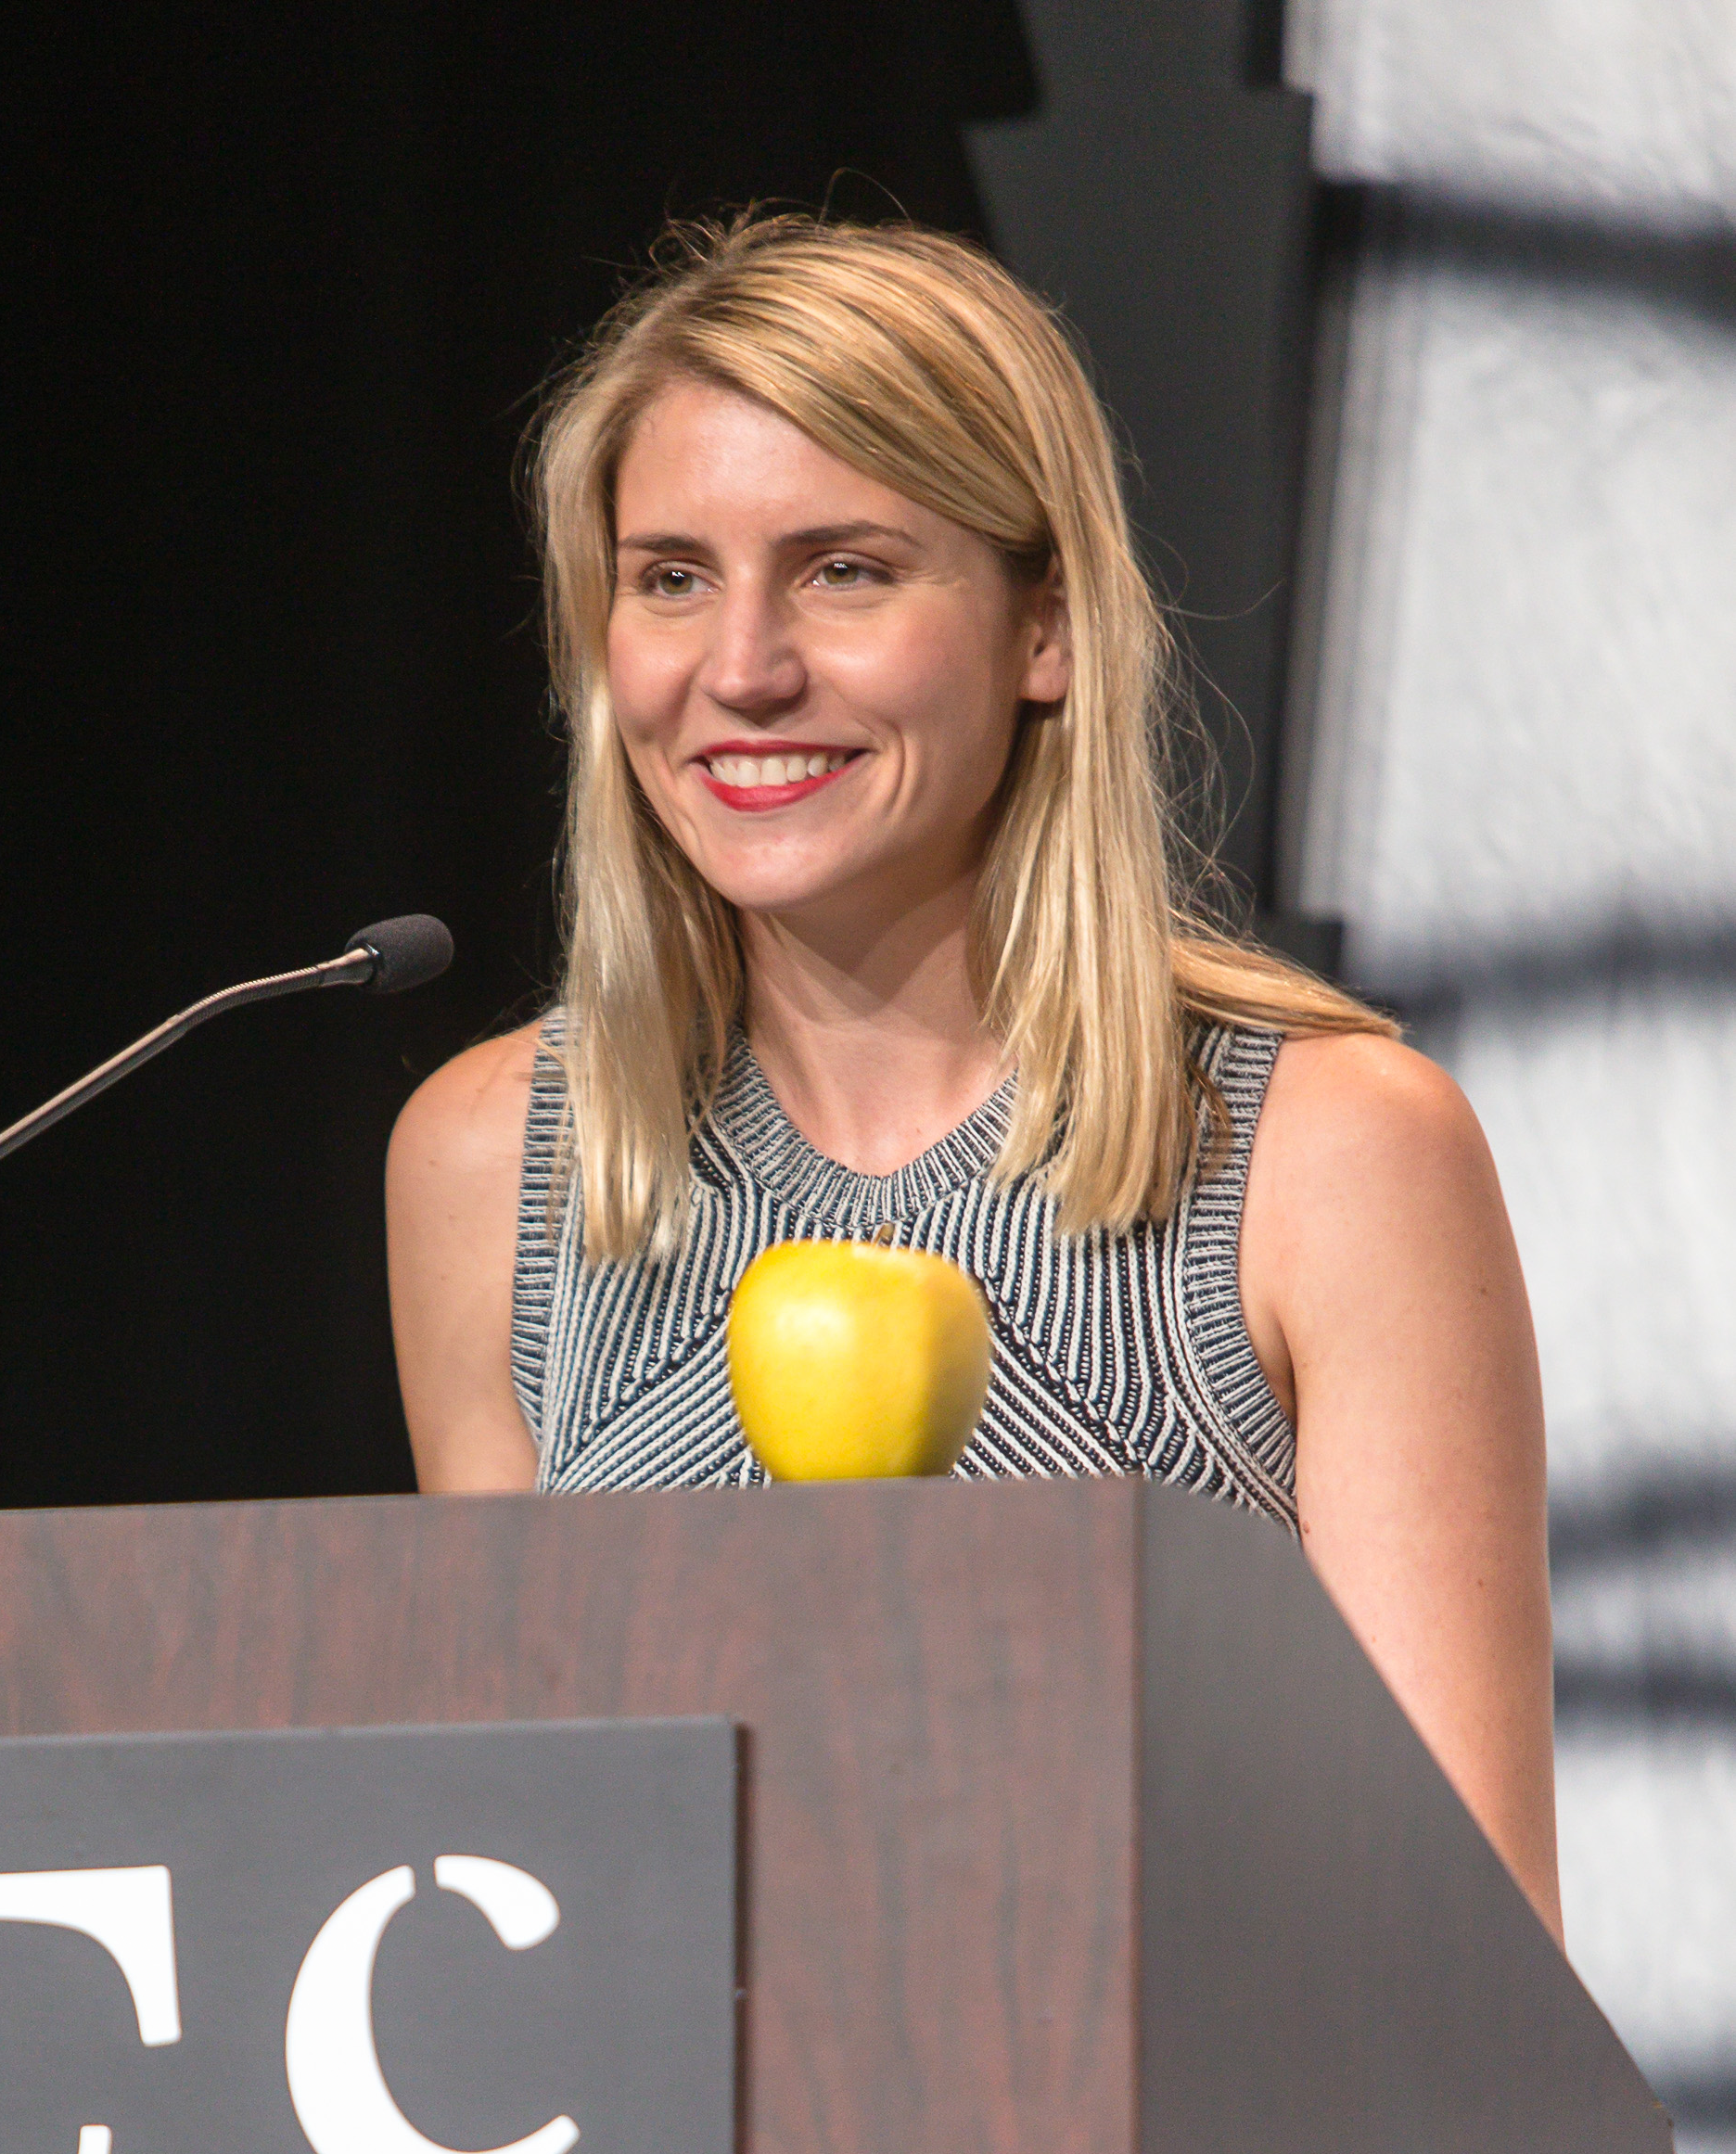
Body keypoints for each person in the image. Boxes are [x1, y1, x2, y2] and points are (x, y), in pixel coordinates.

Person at [385, 217, 1561, 1938]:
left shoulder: (1324, 1152)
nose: (742, 669)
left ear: (1048, 630)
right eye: (670, 577)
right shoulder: (500, 1159)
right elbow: (504, 1884)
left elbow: (1473, 1969)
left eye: (845, 569)